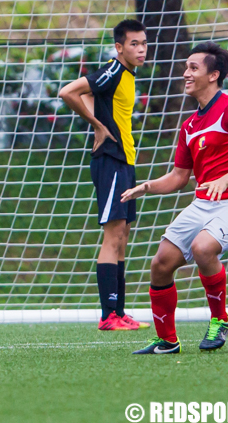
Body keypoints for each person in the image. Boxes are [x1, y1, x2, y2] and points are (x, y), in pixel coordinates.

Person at [122, 42, 228, 354]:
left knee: (203, 248)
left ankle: (220, 320)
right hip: (204, 203)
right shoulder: (189, 125)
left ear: (213, 75)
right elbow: (178, 177)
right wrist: (146, 186)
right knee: (161, 264)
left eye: (193, 68)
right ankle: (166, 341)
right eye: (186, 67)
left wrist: (227, 178)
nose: (186, 73)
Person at [59, 19, 150, 331]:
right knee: (113, 235)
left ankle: (119, 312)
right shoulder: (113, 69)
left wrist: (98, 117)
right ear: (119, 47)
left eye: (143, 43)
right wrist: (97, 126)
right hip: (110, 159)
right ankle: (108, 315)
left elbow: (90, 98)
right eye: (134, 44)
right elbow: (68, 91)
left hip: (125, 160)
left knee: (122, 235)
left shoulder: (126, 75)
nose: (140, 49)